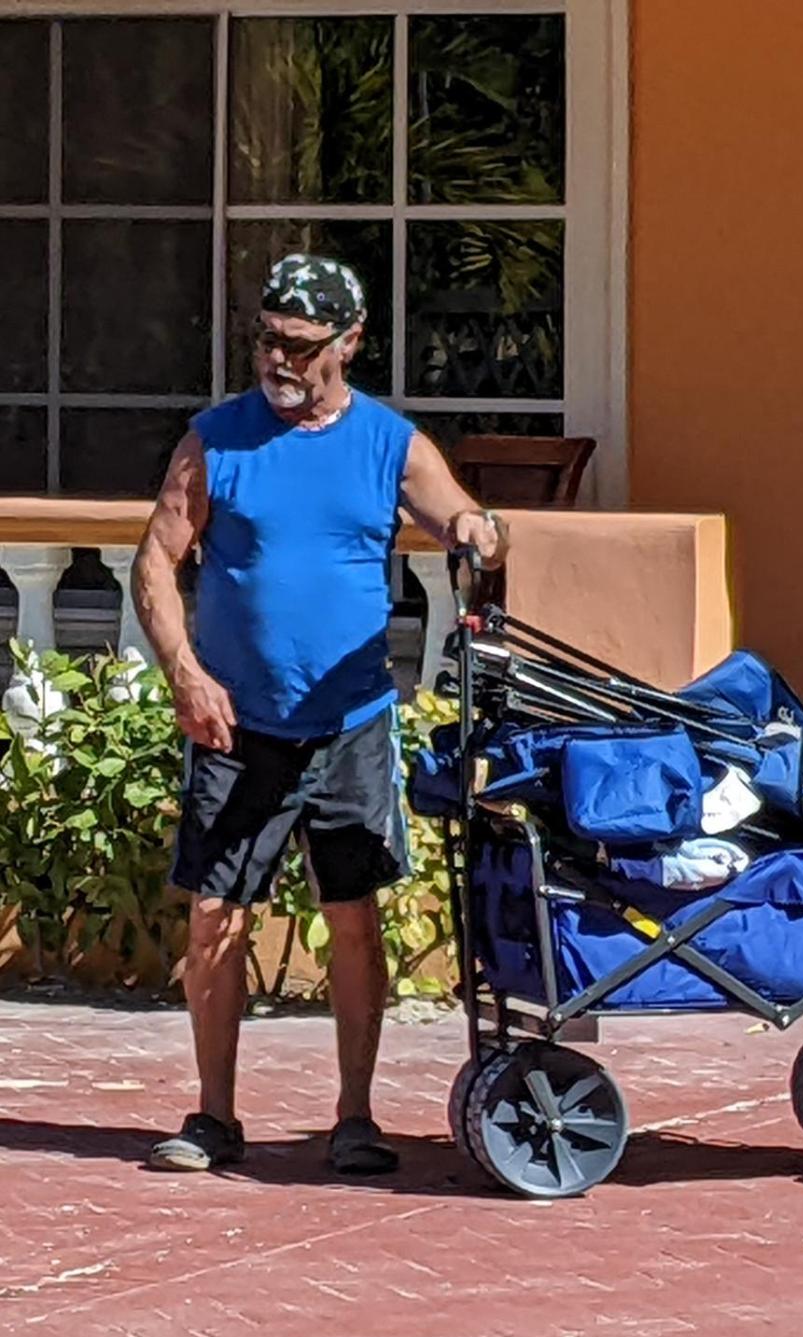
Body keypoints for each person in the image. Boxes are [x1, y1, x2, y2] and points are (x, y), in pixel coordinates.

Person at [132, 253, 507, 1174]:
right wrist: (186, 675)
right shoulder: (215, 441)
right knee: (214, 915)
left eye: (300, 345)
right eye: (268, 339)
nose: (279, 360)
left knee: (353, 916)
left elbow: (461, 518)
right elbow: (155, 562)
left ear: (350, 342)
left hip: (350, 721)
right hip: (237, 723)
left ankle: (355, 1118)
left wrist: (477, 532)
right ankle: (214, 1118)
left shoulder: (388, 442)